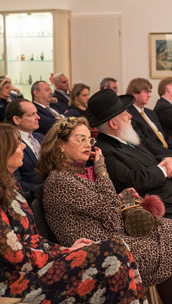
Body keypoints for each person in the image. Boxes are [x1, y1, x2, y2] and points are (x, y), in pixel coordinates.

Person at [39, 117, 172, 304]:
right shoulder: (61, 180)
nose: (87, 145)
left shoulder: (78, 172)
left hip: (109, 231)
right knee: (162, 249)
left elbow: (101, 206)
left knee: (168, 226)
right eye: (80, 139)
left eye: (89, 140)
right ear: (60, 146)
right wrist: (101, 168)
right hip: (96, 247)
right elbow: (108, 211)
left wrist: (120, 196)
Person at [88, 89, 172, 304]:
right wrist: (162, 170)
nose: (130, 115)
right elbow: (133, 180)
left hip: (171, 199)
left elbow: (153, 155)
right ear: (113, 123)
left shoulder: (125, 139)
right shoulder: (106, 150)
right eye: (125, 113)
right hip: (147, 211)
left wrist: (167, 160)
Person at [0, 123, 146, 303]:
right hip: (15, 282)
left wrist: (65, 249)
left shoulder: (12, 189)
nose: (23, 145)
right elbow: (15, 255)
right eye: (17, 143)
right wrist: (61, 254)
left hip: (37, 265)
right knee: (114, 249)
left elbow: (34, 240)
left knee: (120, 246)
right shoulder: (59, 178)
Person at [126, 78, 172, 194]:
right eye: (146, 92)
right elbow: (145, 142)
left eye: (150, 91)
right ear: (135, 93)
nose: (150, 95)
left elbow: (165, 136)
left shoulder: (150, 112)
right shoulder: (129, 114)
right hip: (153, 153)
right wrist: (170, 153)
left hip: (166, 148)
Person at [4, 99, 43, 191]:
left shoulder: (40, 137)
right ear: (16, 119)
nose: (38, 117)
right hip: (32, 197)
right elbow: (15, 182)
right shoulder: (8, 143)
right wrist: (46, 189)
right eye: (31, 114)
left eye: (36, 113)